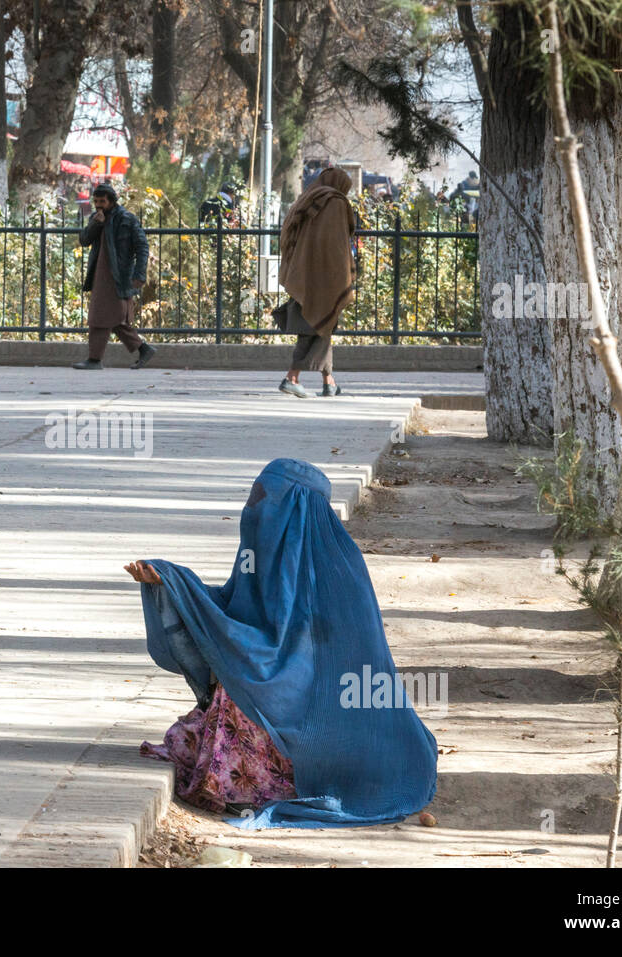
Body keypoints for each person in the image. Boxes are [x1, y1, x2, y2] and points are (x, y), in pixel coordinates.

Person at [125, 458, 438, 827]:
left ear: (295, 508)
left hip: (323, 719)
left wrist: (237, 649)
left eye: (264, 498)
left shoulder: (336, 568)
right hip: (272, 704)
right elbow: (230, 609)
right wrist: (171, 582)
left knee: (238, 686)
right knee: (186, 739)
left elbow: (290, 654)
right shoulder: (259, 556)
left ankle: (280, 774)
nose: (253, 508)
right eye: (253, 496)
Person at [275, 167, 356, 398]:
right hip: (325, 275)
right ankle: (292, 377)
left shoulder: (309, 197)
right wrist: (342, 274)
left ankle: (329, 381)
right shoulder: (335, 202)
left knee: (321, 323)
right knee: (319, 324)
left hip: (305, 271)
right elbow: (336, 243)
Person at [73, 182, 155, 370]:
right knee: (102, 317)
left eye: (102, 201)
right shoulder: (96, 217)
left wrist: (139, 274)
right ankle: (140, 350)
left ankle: (97, 359)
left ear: (112, 201)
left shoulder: (127, 219)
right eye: (96, 201)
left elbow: (142, 246)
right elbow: (84, 240)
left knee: (112, 317)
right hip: (100, 276)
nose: (98, 205)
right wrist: (96, 223)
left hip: (119, 276)